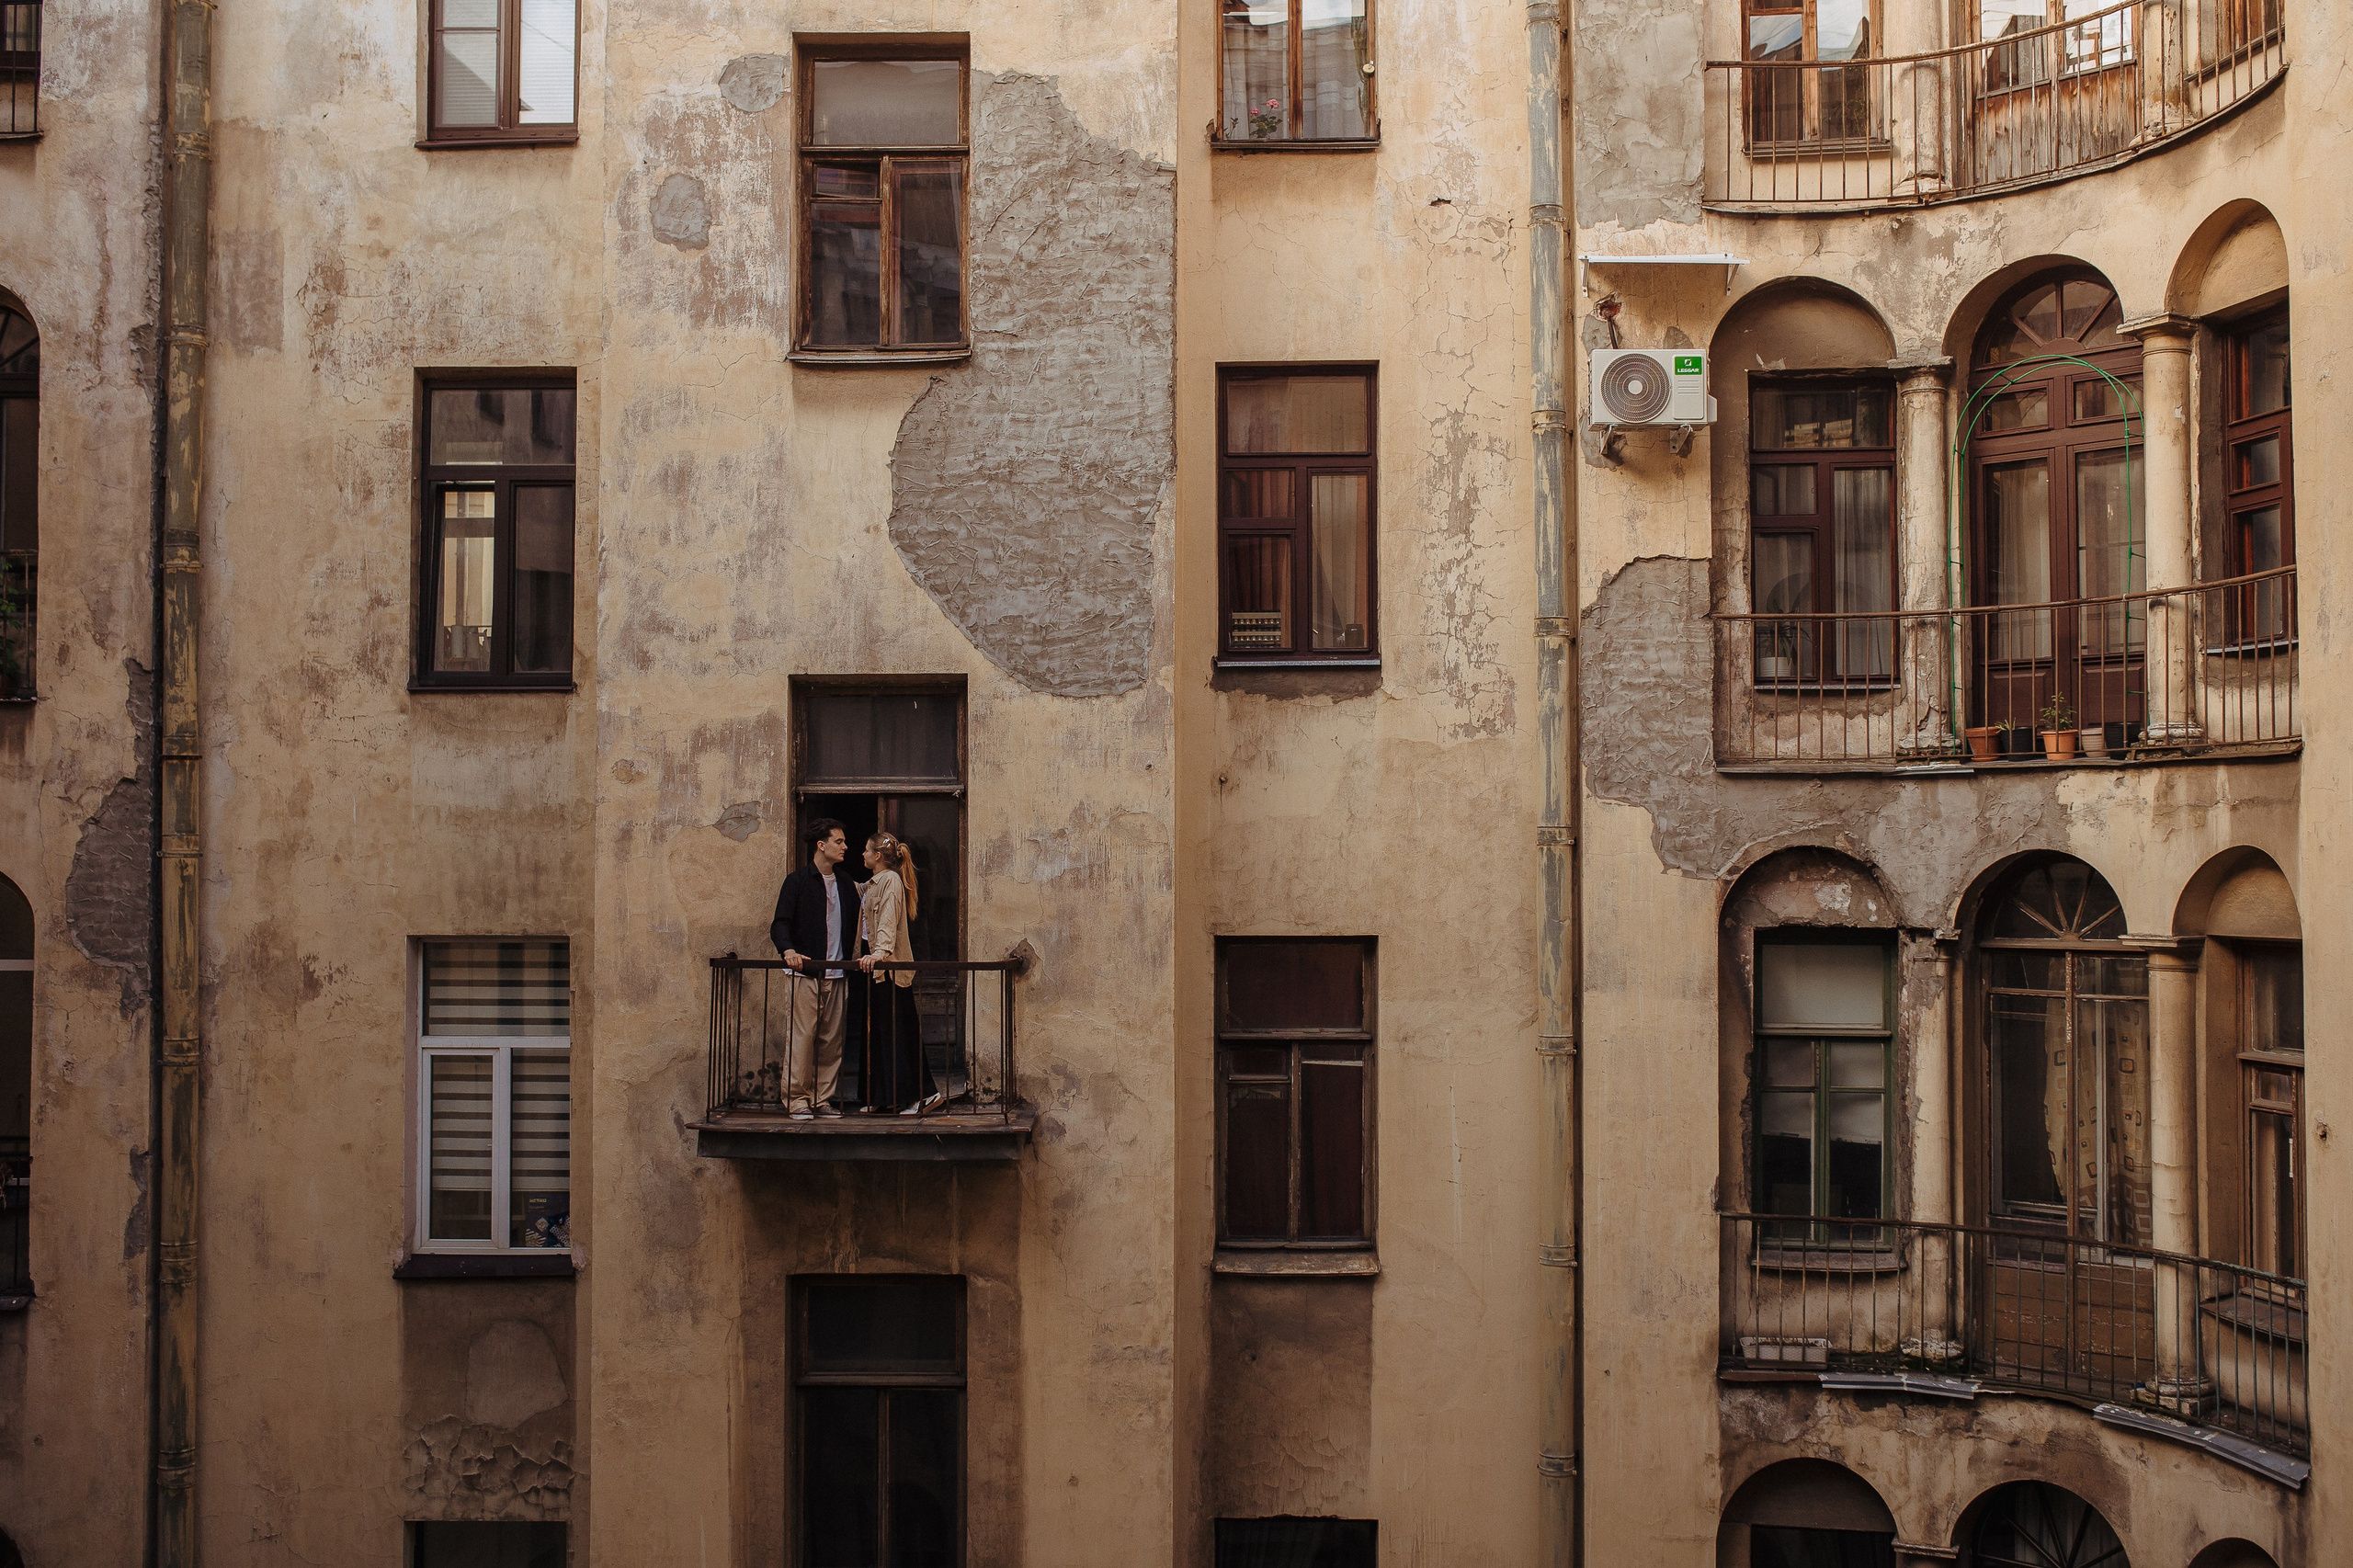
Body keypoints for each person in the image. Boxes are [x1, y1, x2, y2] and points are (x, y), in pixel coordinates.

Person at [768, 817, 859, 1119]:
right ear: (821, 846)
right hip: (805, 974)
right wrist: (788, 950)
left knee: (831, 1041)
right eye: (839, 841)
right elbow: (780, 922)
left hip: (837, 974)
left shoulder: (846, 884)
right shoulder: (797, 881)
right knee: (803, 1038)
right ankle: (796, 1099)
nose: (845, 847)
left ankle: (821, 1098)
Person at [856, 832, 944, 1115]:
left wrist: (879, 954)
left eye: (866, 851)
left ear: (877, 856)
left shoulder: (890, 881)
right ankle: (883, 1097)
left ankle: (925, 1096)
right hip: (877, 970)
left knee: (899, 1034)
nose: (863, 855)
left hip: (889, 970)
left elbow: (888, 920)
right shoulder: (875, 882)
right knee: (881, 1034)